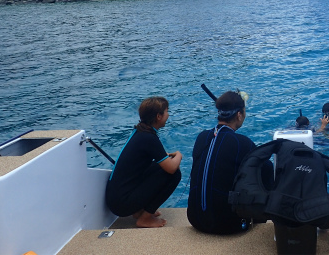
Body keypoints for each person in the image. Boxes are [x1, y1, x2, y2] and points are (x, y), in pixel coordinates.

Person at [187, 90, 273, 234]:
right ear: (239, 115)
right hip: (228, 225)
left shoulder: (202, 137)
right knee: (266, 168)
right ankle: (260, 218)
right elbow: (267, 170)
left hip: (195, 219)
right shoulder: (242, 143)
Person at [106, 96, 182, 228]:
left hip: (116, 198)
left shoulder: (140, 131)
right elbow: (171, 169)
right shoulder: (149, 138)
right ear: (159, 116)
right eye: (167, 111)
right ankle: (145, 218)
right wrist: (179, 155)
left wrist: (167, 157)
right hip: (122, 204)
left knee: (159, 167)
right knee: (175, 174)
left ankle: (139, 211)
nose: (168, 115)